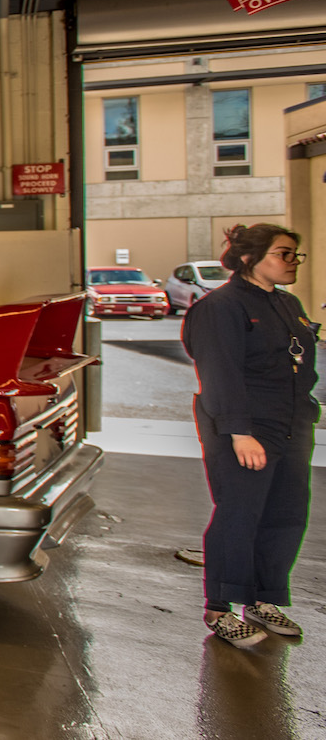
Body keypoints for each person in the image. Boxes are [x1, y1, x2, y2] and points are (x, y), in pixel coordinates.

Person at [181, 223, 316, 648]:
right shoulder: (221, 307)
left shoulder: (288, 304)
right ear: (248, 259)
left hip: (289, 425)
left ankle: (262, 598)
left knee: (286, 514)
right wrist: (239, 432)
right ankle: (220, 608)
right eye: (283, 253)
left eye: (296, 254)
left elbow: (301, 366)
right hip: (243, 428)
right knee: (240, 515)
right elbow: (219, 373)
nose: (292, 262)